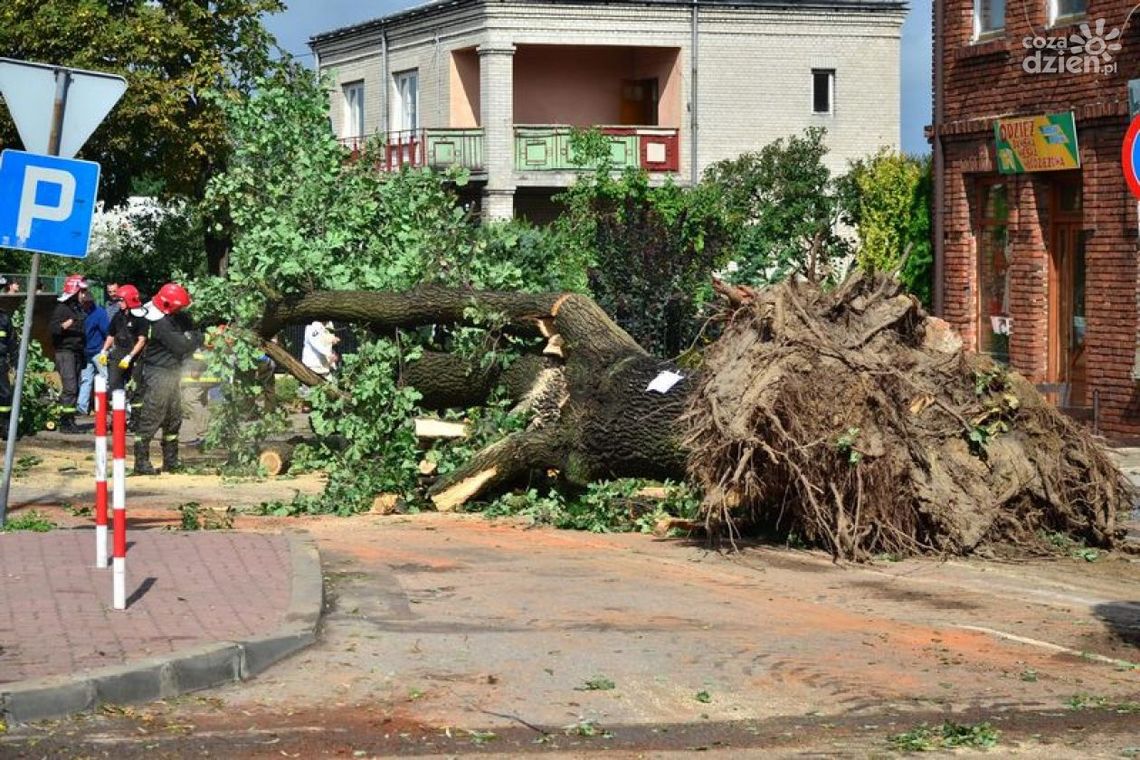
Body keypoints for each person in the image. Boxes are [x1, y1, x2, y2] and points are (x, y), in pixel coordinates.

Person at [133, 282, 198, 475]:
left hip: (172, 374)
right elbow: (182, 346)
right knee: (152, 417)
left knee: (173, 419)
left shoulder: (173, 319)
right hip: (158, 375)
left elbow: (190, 333)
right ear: (168, 305)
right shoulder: (161, 324)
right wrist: (197, 337)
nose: (181, 311)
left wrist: (192, 335)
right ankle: (141, 463)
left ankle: (171, 461)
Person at [97, 284, 148, 407]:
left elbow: (142, 340)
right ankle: (117, 410)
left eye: (121, 300)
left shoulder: (140, 317)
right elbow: (111, 334)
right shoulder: (118, 316)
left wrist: (130, 357)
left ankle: (135, 413)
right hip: (119, 351)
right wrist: (104, 350)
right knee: (114, 382)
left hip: (135, 355)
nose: (119, 303)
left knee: (135, 386)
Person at [49, 274, 88, 434]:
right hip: (65, 352)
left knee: (75, 387)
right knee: (70, 387)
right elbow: (53, 329)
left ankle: (70, 419)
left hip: (76, 352)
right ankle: (65, 422)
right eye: (82, 292)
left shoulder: (77, 309)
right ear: (74, 292)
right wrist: (68, 323)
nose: (84, 295)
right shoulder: (62, 308)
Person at [76, 285, 113, 416]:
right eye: (83, 303)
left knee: (105, 378)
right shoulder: (83, 313)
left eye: (86, 303)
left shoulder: (99, 314)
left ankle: (105, 404)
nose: (85, 305)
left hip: (98, 352)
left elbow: (108, 333)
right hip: (87, 352)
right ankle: (82, 407)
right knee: (87, 380)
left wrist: (104, 350)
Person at [0, 276, 16, 438]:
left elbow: (12, 342)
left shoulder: (4, 318)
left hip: (0, 362)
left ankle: (5, 427)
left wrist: (16, 363)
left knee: (5, 394)